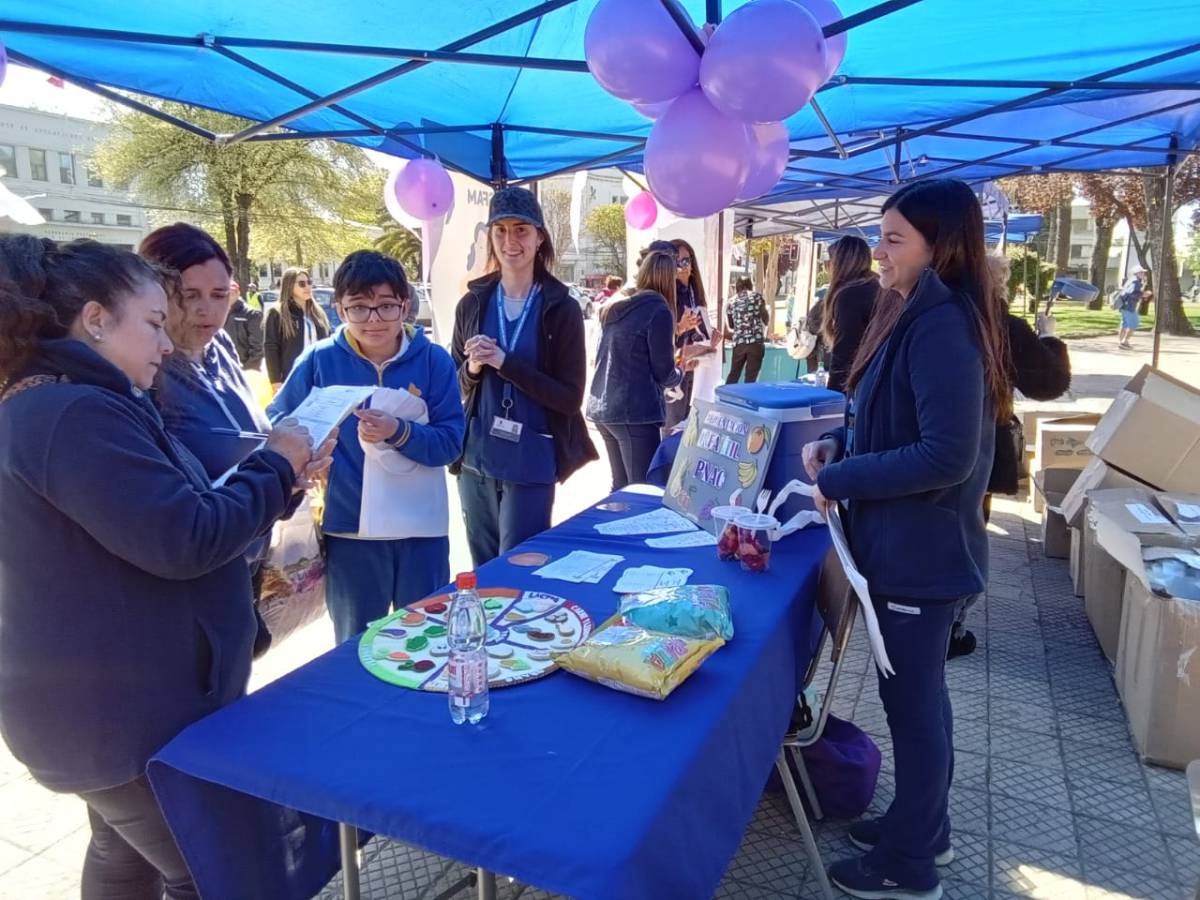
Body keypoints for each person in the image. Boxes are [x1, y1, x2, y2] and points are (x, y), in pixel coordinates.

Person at [0, 236, 329, 900]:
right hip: (124, 716)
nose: (166, 342)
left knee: (125, 858)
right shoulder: (72, 413)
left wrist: (283, 479)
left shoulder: (76, 401)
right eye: (152, 323)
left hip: (106, 710)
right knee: (223, 874)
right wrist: (279, 461)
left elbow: (171, 508)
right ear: (95, 320)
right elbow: (186, 535)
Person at [803, 178, 1008, 900]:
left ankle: (910, 862)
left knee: (914, 708)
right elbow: (889, 417)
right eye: (881, 236)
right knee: (918, 702)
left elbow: (946, 454)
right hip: (905, 549)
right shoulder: (915, 309)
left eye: (894, 240)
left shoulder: (943, 323)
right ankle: (925, 827)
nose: (880, 253)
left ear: (938, 246)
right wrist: (838, 443)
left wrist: (842, 479)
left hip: (923, 556)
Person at [270, 251, 464, 643]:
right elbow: (276, 423)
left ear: (405, 306)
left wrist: (399, 430)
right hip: (350, 532)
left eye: (386, 306)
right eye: (359, 308)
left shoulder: (434, 361)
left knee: (424, 641)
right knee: (354, 647)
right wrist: (309, 449)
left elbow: (451, 445)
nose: (374, 320)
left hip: (420, 533)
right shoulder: (319, 361)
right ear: (339, 308)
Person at [451, 186, 597, 567]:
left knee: (518, 570)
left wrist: (505, 362)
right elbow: (455, 387)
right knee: (482, 572)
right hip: (476, 462)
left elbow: (569, 398)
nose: (509, 241)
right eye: (500, 230)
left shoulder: (560, 308)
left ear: (539, 238)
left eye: (521, 230)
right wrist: (473, 368)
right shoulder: (472, 303)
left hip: (531, 460)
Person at [948, 255, 1071, 659]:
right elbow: (1049, 382)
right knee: (966, 530)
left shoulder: (941, 318)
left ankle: (941, 620)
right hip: (976, 446)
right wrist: (1051, 340)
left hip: (942, 446)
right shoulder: (1001, 326)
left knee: (952, 529)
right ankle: (949, 624)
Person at [140, 225, 272, 484]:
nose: (206, 310)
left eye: (219, 295)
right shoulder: (143, 368)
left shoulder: (220, 342)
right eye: (189, 296)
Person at [587, 250, 693, 490]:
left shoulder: (617, 306)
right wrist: (681, 371)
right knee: (641, 490)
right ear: (669, 280)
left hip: (604, 407)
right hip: (634, 412)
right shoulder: (659, 310)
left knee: (621, 486)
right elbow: (664, 372)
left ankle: (615, 526)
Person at [665, 237, 714, 432]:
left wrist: (708, 335)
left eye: (686, 260)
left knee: (688, 426)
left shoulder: (694, 291)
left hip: (694, 366)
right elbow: (662, 338)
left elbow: (698, 330)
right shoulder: (667, 294)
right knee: (673, 427)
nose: (682, 266)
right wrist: (680, 328)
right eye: (676, 262)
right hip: (672, 369)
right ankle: (668, 462)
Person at [820, 236, 880, 393]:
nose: (829, 268)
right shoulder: (876, 285)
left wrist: (832, 396)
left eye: (830, 262)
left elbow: (845, 351)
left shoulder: (850, 294)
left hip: (863, 384)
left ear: (840, 263)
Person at [265, 266, 331, 387]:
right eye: (302, 284)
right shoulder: (278, 313)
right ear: (289, 286)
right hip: (293, 378)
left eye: (309, 282)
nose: (308, 287)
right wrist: (275, 381)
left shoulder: (317, 313)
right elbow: (271, 347)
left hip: (320, 377)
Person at [725, 276, 770, 384]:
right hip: (755, 342)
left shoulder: (731, 301)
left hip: (739, 343)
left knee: (734, 374)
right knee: (751, 378)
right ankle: (748, 399)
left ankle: (726, 396)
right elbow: (766, 319)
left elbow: (731, 325)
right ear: (750, 285)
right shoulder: (757, 297)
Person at [224, 278, 265, 372]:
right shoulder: (218, 313)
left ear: (238, 293)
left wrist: (248, 370)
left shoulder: (253, 314)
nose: (228, 296)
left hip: (245, 370)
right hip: (225, 370)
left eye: (232, 292)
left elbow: (258, 347)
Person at [1114, 268, 1144, 348]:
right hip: (1130, 306)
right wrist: (1143, 294)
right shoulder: (1136, 283)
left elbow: (1126, 292)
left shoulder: (1129, 281)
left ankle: (1121, 342)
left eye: (1143, 273)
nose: (1143, 274)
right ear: (1136, 273)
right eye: (1141, 272)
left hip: (1123, 305)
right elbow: (1132, 294)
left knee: (1124, 324)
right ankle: (1124, 342)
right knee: (1134, 324)